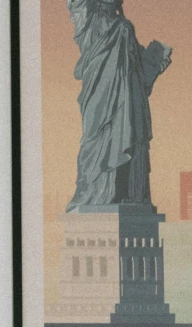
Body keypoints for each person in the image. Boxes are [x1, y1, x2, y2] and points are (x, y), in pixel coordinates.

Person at [66, 0, 172, 211]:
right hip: (101, 96)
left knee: (130, 138)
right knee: (100, 140)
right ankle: (100, 193)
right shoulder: (92, 21)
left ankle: (127, 193)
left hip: (130, 98)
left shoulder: (125, 26)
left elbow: (139, 72)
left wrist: (155, 61)